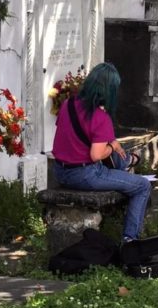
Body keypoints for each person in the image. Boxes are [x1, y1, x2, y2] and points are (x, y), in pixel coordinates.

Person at [51, 62, 151, 243]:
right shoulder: (100, 117)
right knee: (143, 186)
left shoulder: (68, 104)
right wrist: (113, 146)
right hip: (85, 175)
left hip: (60, 171)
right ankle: (130, 239)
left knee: (116, 157)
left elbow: (66, 133)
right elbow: (96, 155)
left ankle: (127, 161)